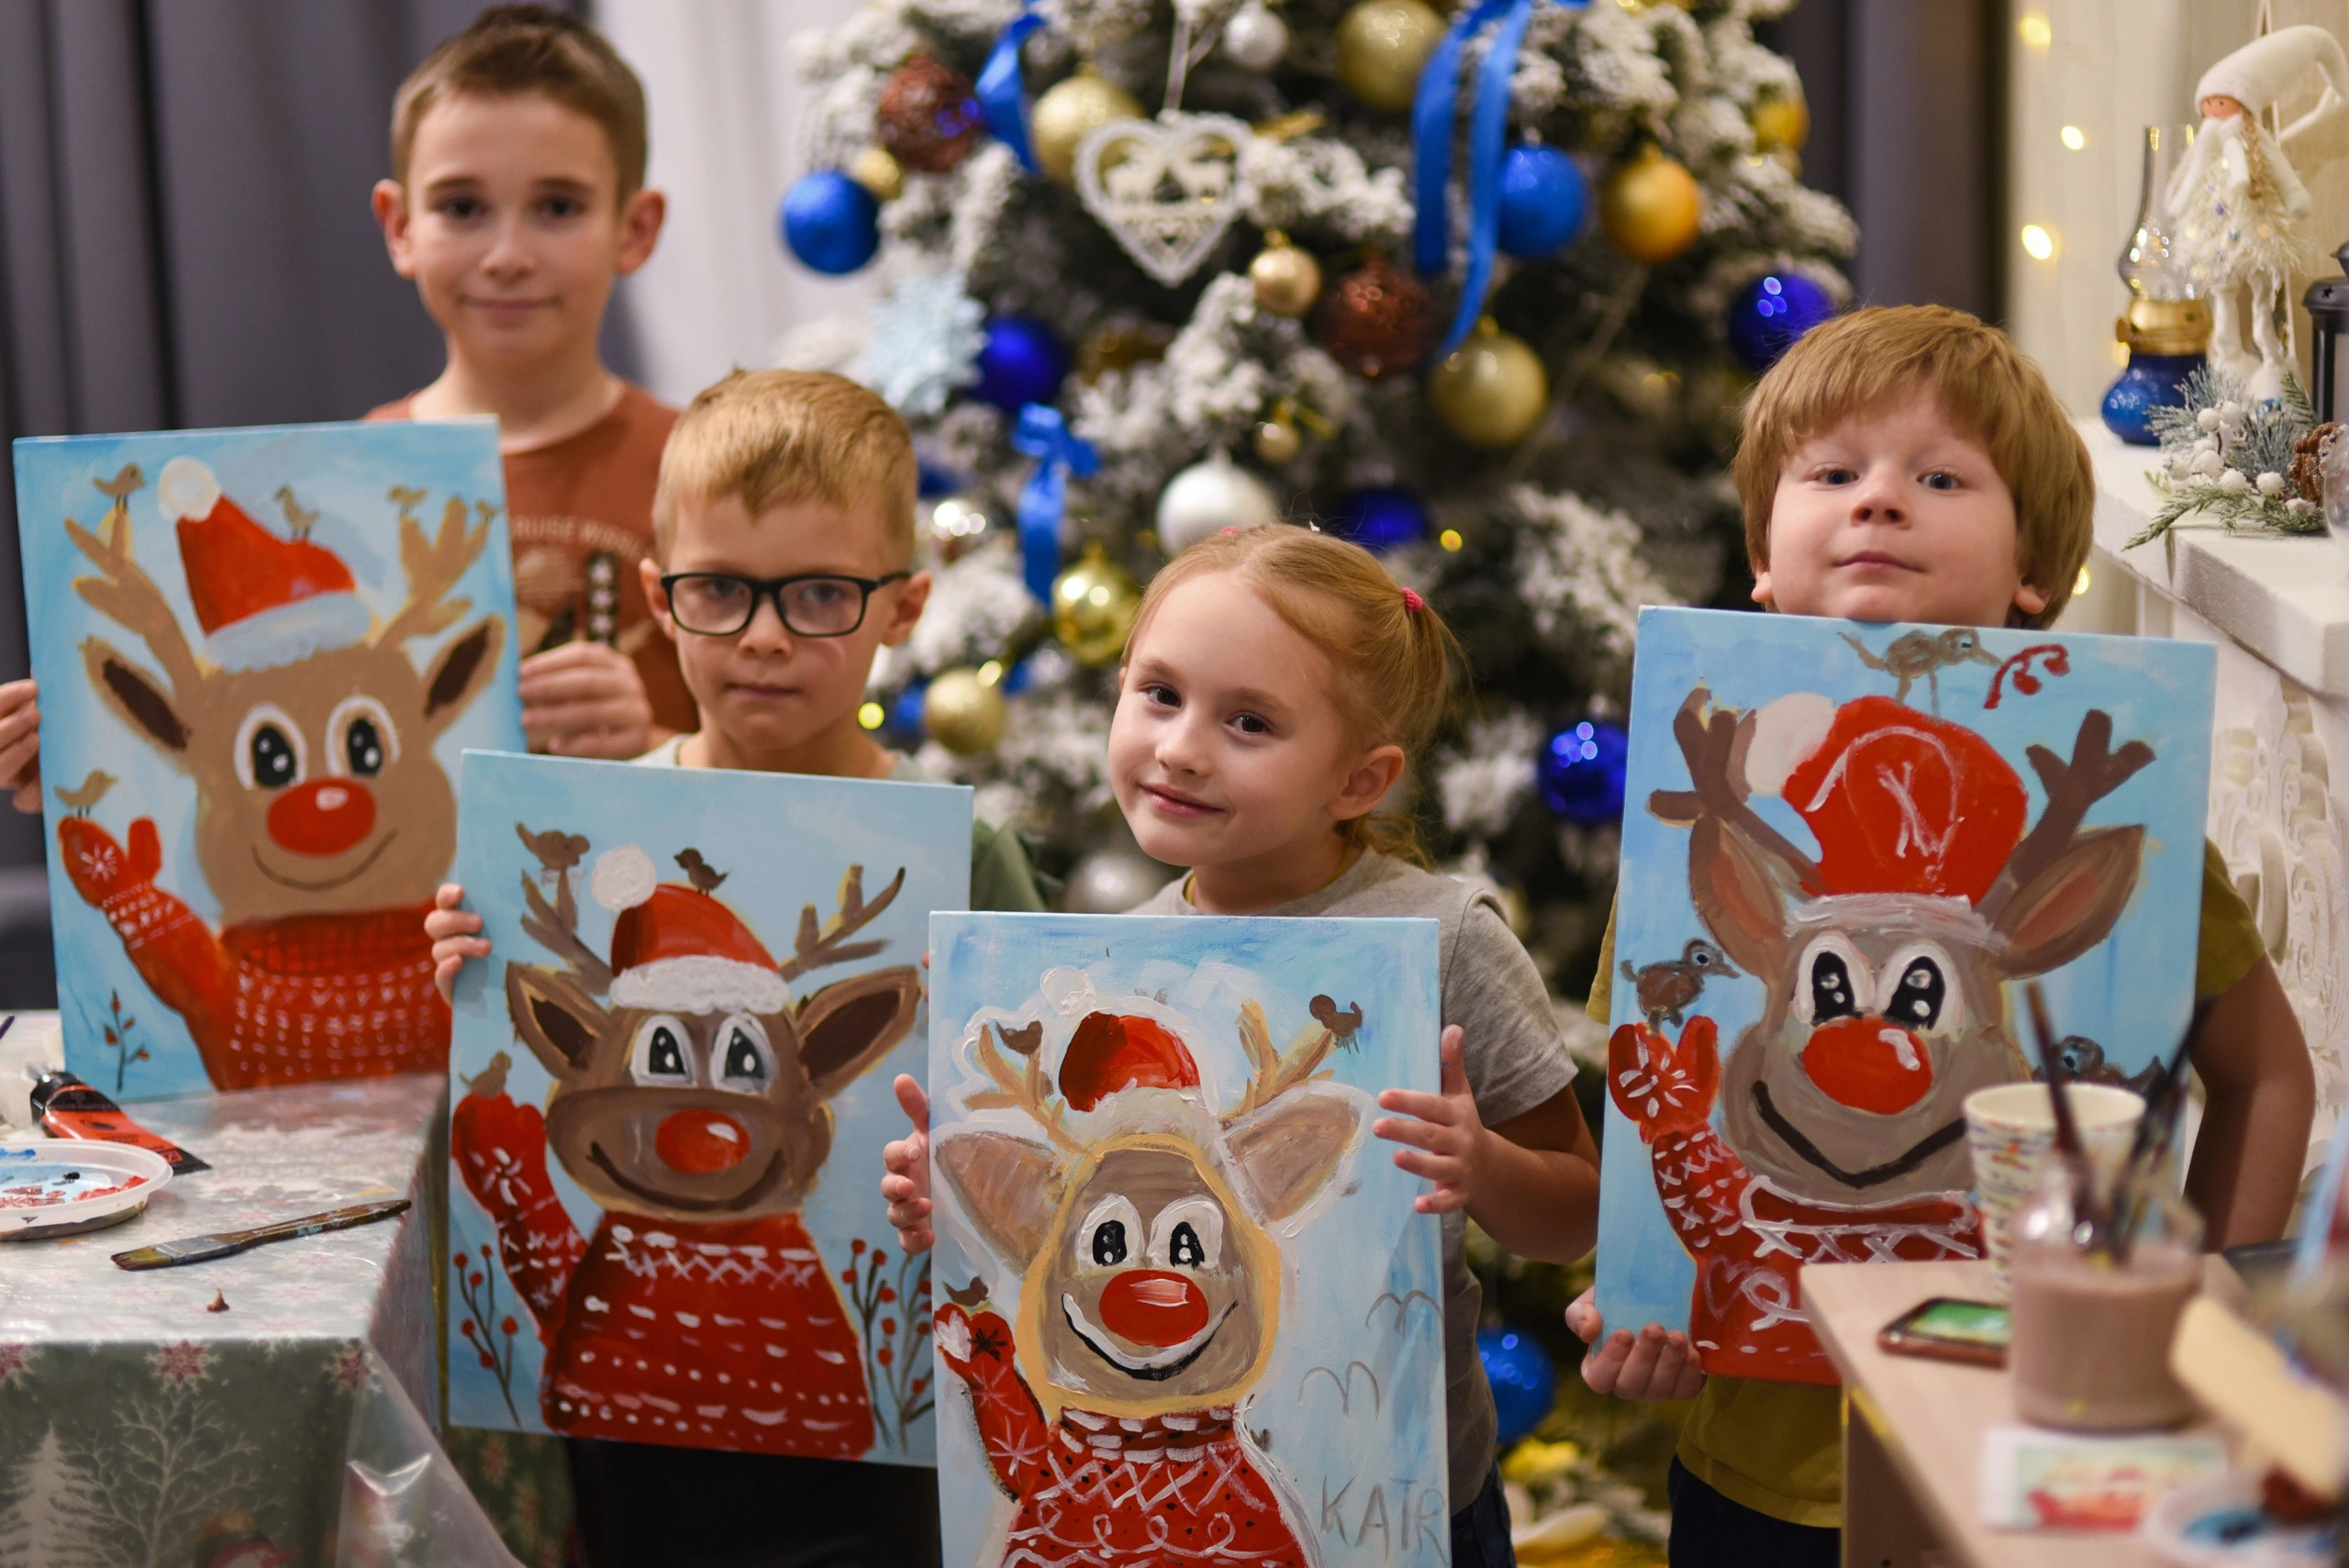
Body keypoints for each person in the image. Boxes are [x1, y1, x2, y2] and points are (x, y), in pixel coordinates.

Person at [1564, 305, 2314, 1568]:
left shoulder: (2137, 822)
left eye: (1940, 476)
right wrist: (1636, 1297)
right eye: (1834, 473)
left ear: (2038, 571)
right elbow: (1659, 1111)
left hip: (2027, 1444)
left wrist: (2216, 1291)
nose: (1879, 503)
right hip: (1756, 1460)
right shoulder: (1687, 836)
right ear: (1764, 554)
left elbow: (2268, 1072)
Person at [880, 524, 1601, 1568]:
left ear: (1360, 779)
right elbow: (1066, 1245)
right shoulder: (1107, 981)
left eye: (1249, 720)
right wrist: (944, 1205)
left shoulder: (1443, 940)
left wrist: (1482, 1163)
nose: (1179, 746)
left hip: (1399, 1508)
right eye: (1158, 694)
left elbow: (1574, 1212)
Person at [429, 368, 1049, 1568]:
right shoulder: (576, 854)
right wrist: (462, 961)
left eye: (821, 594)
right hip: (627, 1421)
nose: (764, 637)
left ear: (904, 608)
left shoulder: (966, 861)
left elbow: (1039, 1135)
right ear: (662, 598)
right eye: (722, 590)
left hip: (878, 1441)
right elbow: (525, 1075)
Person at [370, 4, 696, 761]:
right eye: (462, 207)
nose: (508, 254)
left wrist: (647, 745)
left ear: (635, 228)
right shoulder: (350, 479)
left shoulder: (702, 468)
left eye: (557, 207)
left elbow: (782, 777)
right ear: (400, 227)